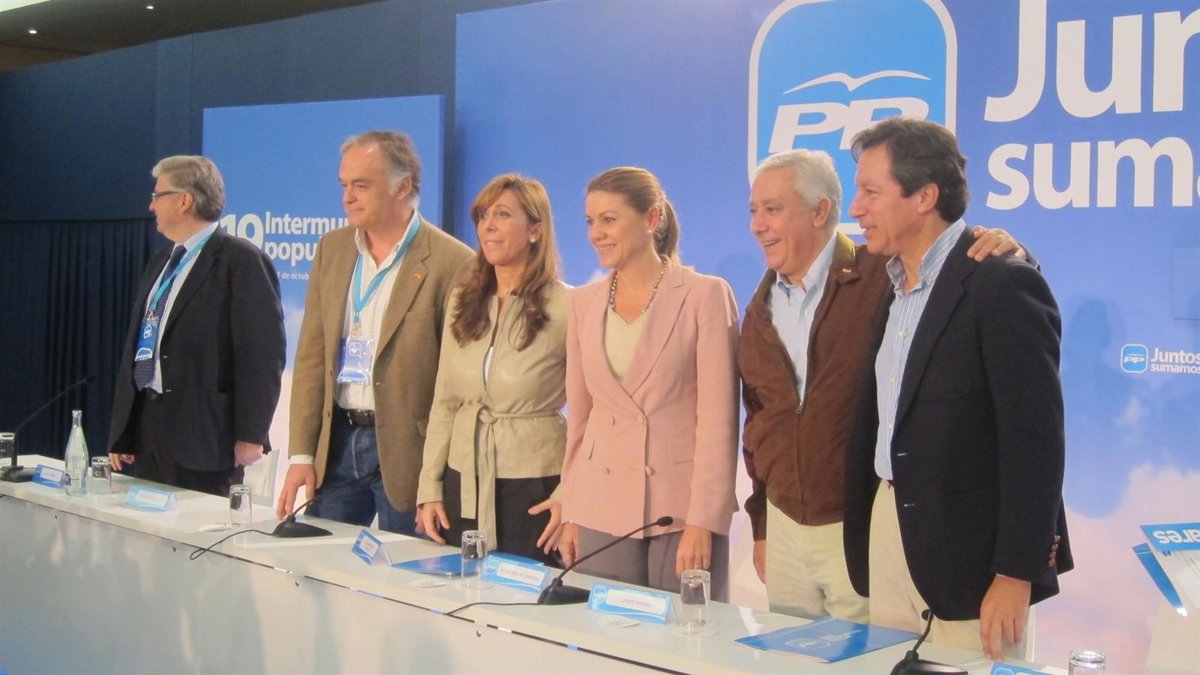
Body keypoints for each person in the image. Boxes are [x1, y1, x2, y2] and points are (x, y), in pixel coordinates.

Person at [741, 150, 1025, 621]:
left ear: (820, 211)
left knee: (871, 655)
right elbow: (758, 420)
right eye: (753, 210)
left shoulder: (885, 274)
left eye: (772, 209)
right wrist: (762, 523)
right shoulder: (759, 307)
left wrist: (1013, 251)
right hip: (784, 527)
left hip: (860, 524)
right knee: (787, 655)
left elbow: (966, 279)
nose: (757, 225)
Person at [841, 118, 1072, 661]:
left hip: (973, 561)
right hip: (891, 532)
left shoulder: (1002, 281)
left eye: (871, 192)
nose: (856, 208)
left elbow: (1035, 443)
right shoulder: (892, 286)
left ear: (924, 197)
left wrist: (1016, 572)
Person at [276, 131, 473, 534]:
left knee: (405, 570)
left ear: (402, 187)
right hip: (336, 445)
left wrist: (437, 476)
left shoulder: (454, 263)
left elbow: (457, 384)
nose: (347, 197)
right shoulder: (332, 249)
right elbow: (311, 357)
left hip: (410, 455)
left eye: (361, 185)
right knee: (319, 564)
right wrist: (301, 454)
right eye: (344, 185)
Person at [556, 167, 739, 600]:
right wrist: (571, 508)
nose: (596, 233)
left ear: (652, 219)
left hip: (678, 512)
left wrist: (703, 521)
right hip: (601, 507)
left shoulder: (704, 295)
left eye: (609, 219)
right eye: (590, 221)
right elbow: (581, 420)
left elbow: (719, 422)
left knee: (687, 632)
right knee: (607, 633)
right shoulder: (582, 303)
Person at [108, 155, 285, 497]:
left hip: (206, 433)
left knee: (198, 529)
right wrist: (123, 428)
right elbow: (140, 342)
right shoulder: (161, 261)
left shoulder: (241, 261)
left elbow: (262, 356)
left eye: (157, 196)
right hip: (149, 426)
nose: (150, 206)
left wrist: (251, 434)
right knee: (148, 527)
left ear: (184, 200)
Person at [416, 174, 568, 562]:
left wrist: (571, 493)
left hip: (534, 483)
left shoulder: (568, 307)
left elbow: (591, 413)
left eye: (502, 214)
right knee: (461, 591)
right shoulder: (462, 299)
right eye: (483, 216)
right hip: (462, 477)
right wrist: (429, 486)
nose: (489, 226)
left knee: (524, 593)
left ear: (535, 230)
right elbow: (445, 402)